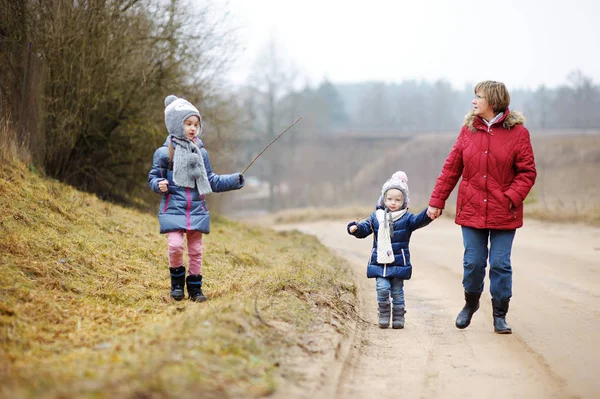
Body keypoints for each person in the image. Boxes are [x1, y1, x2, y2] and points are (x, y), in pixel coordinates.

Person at [427, 80, 536, 334]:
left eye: (479, 96)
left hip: (504, 211)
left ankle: (500, 315)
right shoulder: (468, 130)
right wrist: (436, 201)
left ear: (494, 102)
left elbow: (527, 173)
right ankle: (470, 304)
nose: (474, 101)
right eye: (474, 96)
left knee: (500, 264)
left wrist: (510, 197)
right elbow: (451, 169)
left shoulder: (519, 133)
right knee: (473, 263)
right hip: (472, 210)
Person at [148, 95, 244, 302]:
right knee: (174, 246)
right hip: (173, 207)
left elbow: (211, 181)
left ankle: (195, 288)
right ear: (175, 124)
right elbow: (153, 177)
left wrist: (235, 180)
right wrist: (159, 185)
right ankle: (176, 284)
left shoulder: (201, 153)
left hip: (197, 209)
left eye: (196, 124)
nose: (192, 128)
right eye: (187, 123)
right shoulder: (164, 153)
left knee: (196, 250)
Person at [347, 171, 433, 329]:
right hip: (379, 261)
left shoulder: (407, 218)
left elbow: (419, 220)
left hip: (398, 261)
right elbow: (365, 229)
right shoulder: (376, 217)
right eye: (390, 199)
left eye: (398, 200)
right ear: (383, 199)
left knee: (397, 291)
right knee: (382, 288)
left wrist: (429, 213)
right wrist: (355, 228)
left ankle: (399, 317)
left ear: (404, 201)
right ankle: (384, 314)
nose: (393, 202)